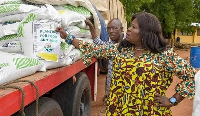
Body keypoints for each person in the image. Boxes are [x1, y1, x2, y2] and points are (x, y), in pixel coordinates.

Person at [56, 12, 196, 115]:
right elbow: (94, 48)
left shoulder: (164, 55)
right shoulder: (120, 50)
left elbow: (190, 76)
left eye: (134, 27)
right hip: (119, 111)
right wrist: (69, 37)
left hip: (150, 112)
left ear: (146, 32)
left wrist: (172, 101)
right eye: (130, 26)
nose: (128, 29)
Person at [85, 18, 124, 104]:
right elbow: (98, 43)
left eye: (114, 28)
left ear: (121, 29)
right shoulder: (110, 44)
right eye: (109, 28)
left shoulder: (128, 44)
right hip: (112, 86)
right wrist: (91, 26)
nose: (111, 31)